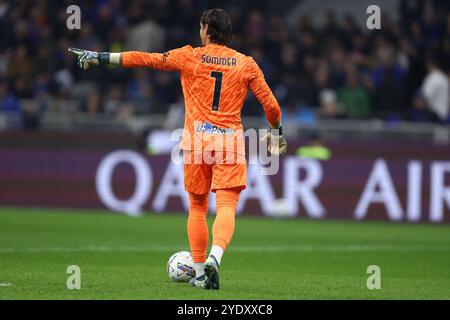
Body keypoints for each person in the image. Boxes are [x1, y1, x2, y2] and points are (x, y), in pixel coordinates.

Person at [69, 8, 287, 290]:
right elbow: (272, 106)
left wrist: (100, 57)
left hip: (197, 141)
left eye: (201, 26)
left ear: (206, 28)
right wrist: (275, 132)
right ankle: (214, 259)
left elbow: (146, 59)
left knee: (197, 207)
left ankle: (198, 273)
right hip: (229, 141)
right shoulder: (246, 64)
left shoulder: (190, 56)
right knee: (227, 207)